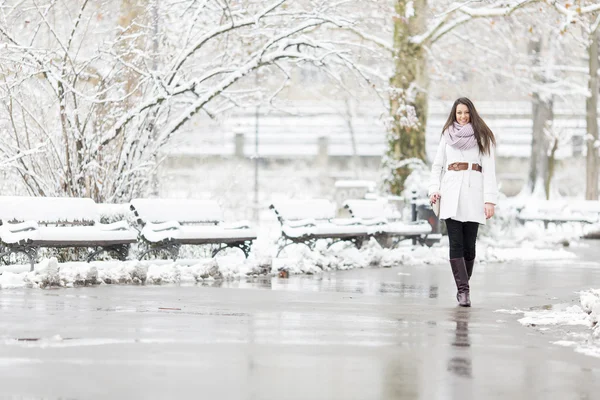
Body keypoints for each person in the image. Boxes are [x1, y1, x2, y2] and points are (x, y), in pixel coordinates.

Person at [428, 97, 498, 307]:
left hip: (474, 193)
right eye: (459, 113)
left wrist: (490, 200)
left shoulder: (482, 136)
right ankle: (463, 291)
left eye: (466, 112)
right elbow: (437, 165)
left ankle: (463, 285)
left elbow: (490, 171)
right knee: (455, 243)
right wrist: (434, 189)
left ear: (471, 113)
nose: (463, 116)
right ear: (454, 114)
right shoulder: (446, 136)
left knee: (470, 246)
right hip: (450, 192)